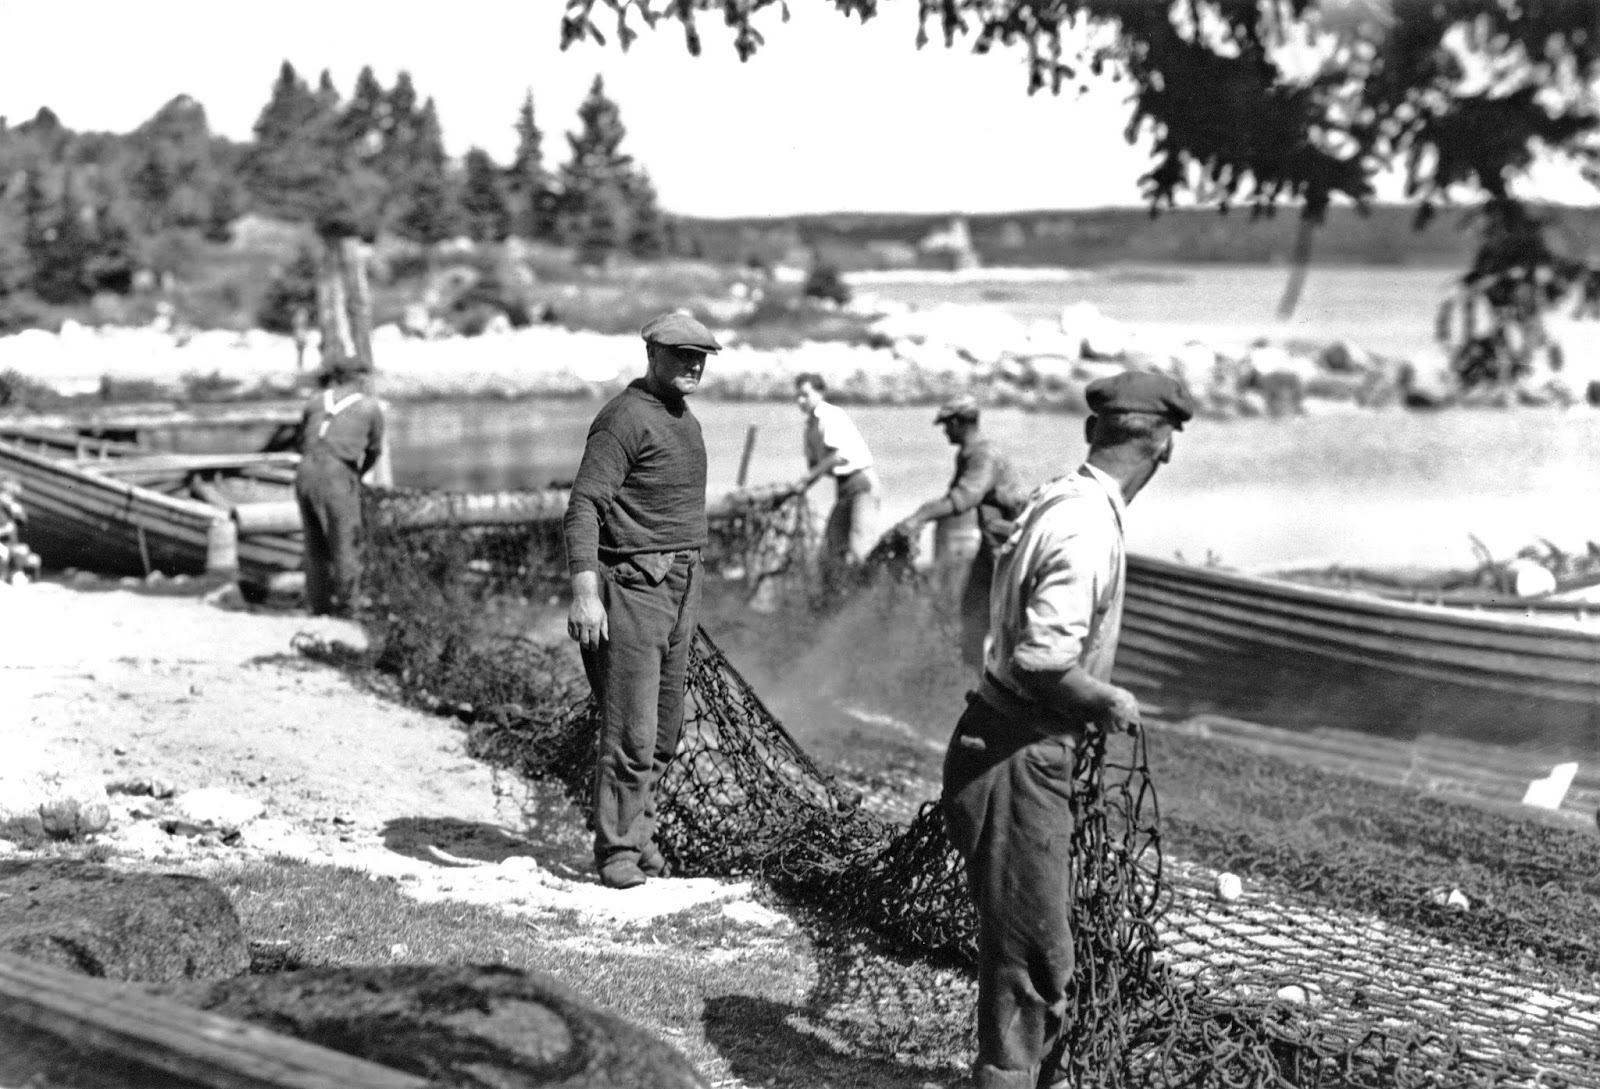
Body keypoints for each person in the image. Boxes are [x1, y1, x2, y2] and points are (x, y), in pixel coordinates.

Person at [941, 371, 1193, 1089]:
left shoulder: (1060, 495)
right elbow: (1044, 658)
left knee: (1030, 948)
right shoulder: (1087, 525)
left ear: (1093, 433)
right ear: (1165, 446)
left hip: (1001, 739)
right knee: (1033, 962)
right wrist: (1109, 699)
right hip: (1020, 753)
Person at [563, 312, 721, 890]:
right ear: (651, 354)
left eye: (701, 356)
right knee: (630, 729)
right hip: (632, 586)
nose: (693, 364)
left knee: (663, 731)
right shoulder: (623, 419)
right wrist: (585, 592)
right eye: (681, 354)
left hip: (681, 584)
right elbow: (584, 506)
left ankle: (640, 835)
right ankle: (617, 853)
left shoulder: (684, 420)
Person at [891, 395, 1027, 670]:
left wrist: (918, 518)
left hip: (1009, 552)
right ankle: (971, 685)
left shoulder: (983, 455)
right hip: (989, 550)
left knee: (1007, 626)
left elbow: (962, 499)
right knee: (971, 619)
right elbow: (952, 498)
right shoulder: (968, 453)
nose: (944, 432)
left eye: (946, 425)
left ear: (957, 422)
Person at [294, 357, 386, 617]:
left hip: (305, 470)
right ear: (362, 378)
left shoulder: (314, 401)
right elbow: (374, 450)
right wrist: (356, 476)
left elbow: (302, 439)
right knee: (345, 541)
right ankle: (348, 608)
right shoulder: (369, 407)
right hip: (336, 472)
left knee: (314, 544)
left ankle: (318, 606)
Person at [788, 373, 880, 570]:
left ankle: (869, 595)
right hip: (844, 487)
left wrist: (805, 480)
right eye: (797, 396)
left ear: (820, 393)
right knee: (832, 547)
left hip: (862, 483)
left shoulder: (830, 415)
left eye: (805, 395)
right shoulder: (810, 426)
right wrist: (799, 487)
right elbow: (815, 468)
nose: (800, 401)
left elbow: (837, 457)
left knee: (859, 547)